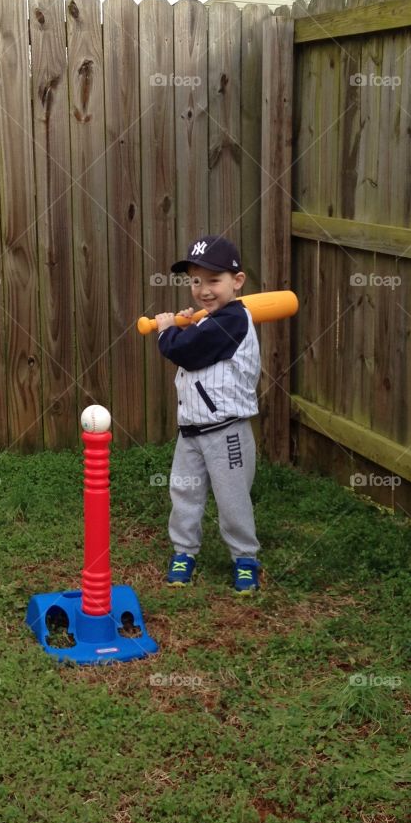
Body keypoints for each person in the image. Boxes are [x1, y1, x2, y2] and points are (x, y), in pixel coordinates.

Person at [154, 234, 261, 593]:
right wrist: (188, 322)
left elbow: (187, 352)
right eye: (196, 281)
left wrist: (168, 330)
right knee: (184, 492)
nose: (204, 290)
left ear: (237, 282)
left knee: (232, 500)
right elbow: (197, 337)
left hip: (226, 431)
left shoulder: (234, 319)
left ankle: (245, 559)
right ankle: (184, 552)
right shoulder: (209, 319)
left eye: (214, 280)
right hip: (191, 431)